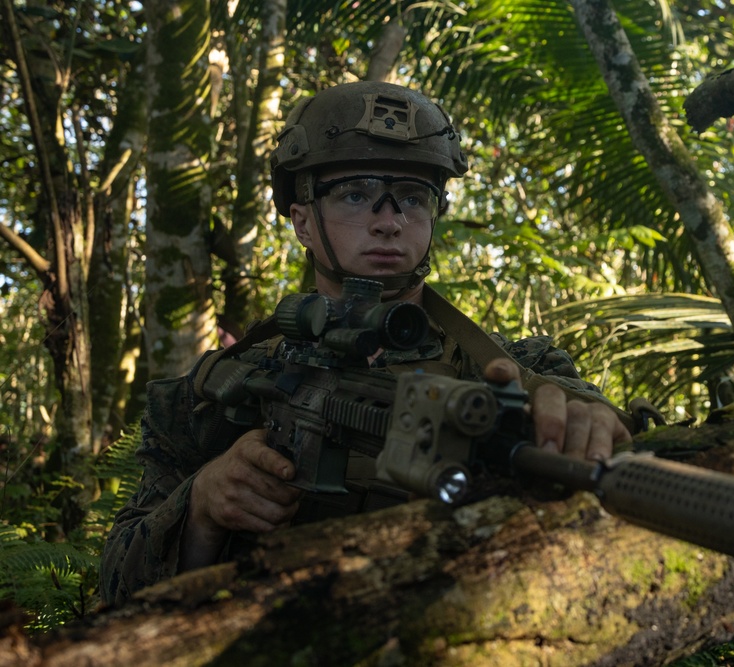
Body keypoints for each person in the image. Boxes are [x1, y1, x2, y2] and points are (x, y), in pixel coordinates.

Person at [99, 82, 633, 606]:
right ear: (303, 221)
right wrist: (201, 509)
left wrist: (587, 423)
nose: (389, 222)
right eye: (356, 194)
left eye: (411, 198)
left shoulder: (519, 369)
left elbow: (593, 434)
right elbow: (116, 589)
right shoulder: (220, 389)